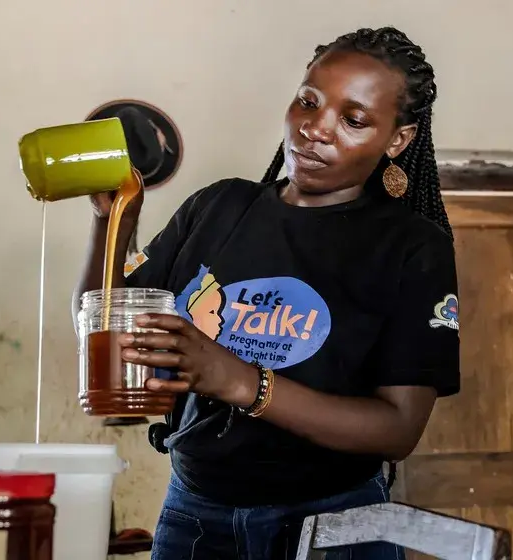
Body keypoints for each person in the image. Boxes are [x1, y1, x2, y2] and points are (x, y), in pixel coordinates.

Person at [72, 26, 459, 560]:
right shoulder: (218, 208)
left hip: (334, 526)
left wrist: (237, 379)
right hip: (195, 514)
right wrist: (111, 222)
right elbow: (103, 330)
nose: (314, 130)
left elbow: (398, 429)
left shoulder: (411, 247)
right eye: (308, 102)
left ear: (397, 140)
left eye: (353, 120)